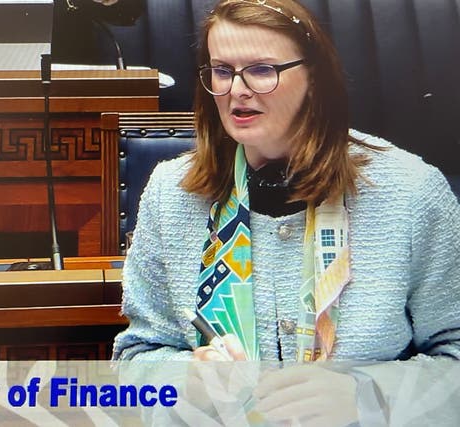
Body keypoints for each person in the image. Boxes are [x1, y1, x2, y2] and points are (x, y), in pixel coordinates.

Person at [113, 0, 460, 424]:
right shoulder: (170, 193)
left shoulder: (410, 191)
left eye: (262, 70)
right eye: (222, 70)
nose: (237, 90)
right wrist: (187, 382)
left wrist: (367, 395)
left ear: (314, 78)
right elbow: (136, 357)